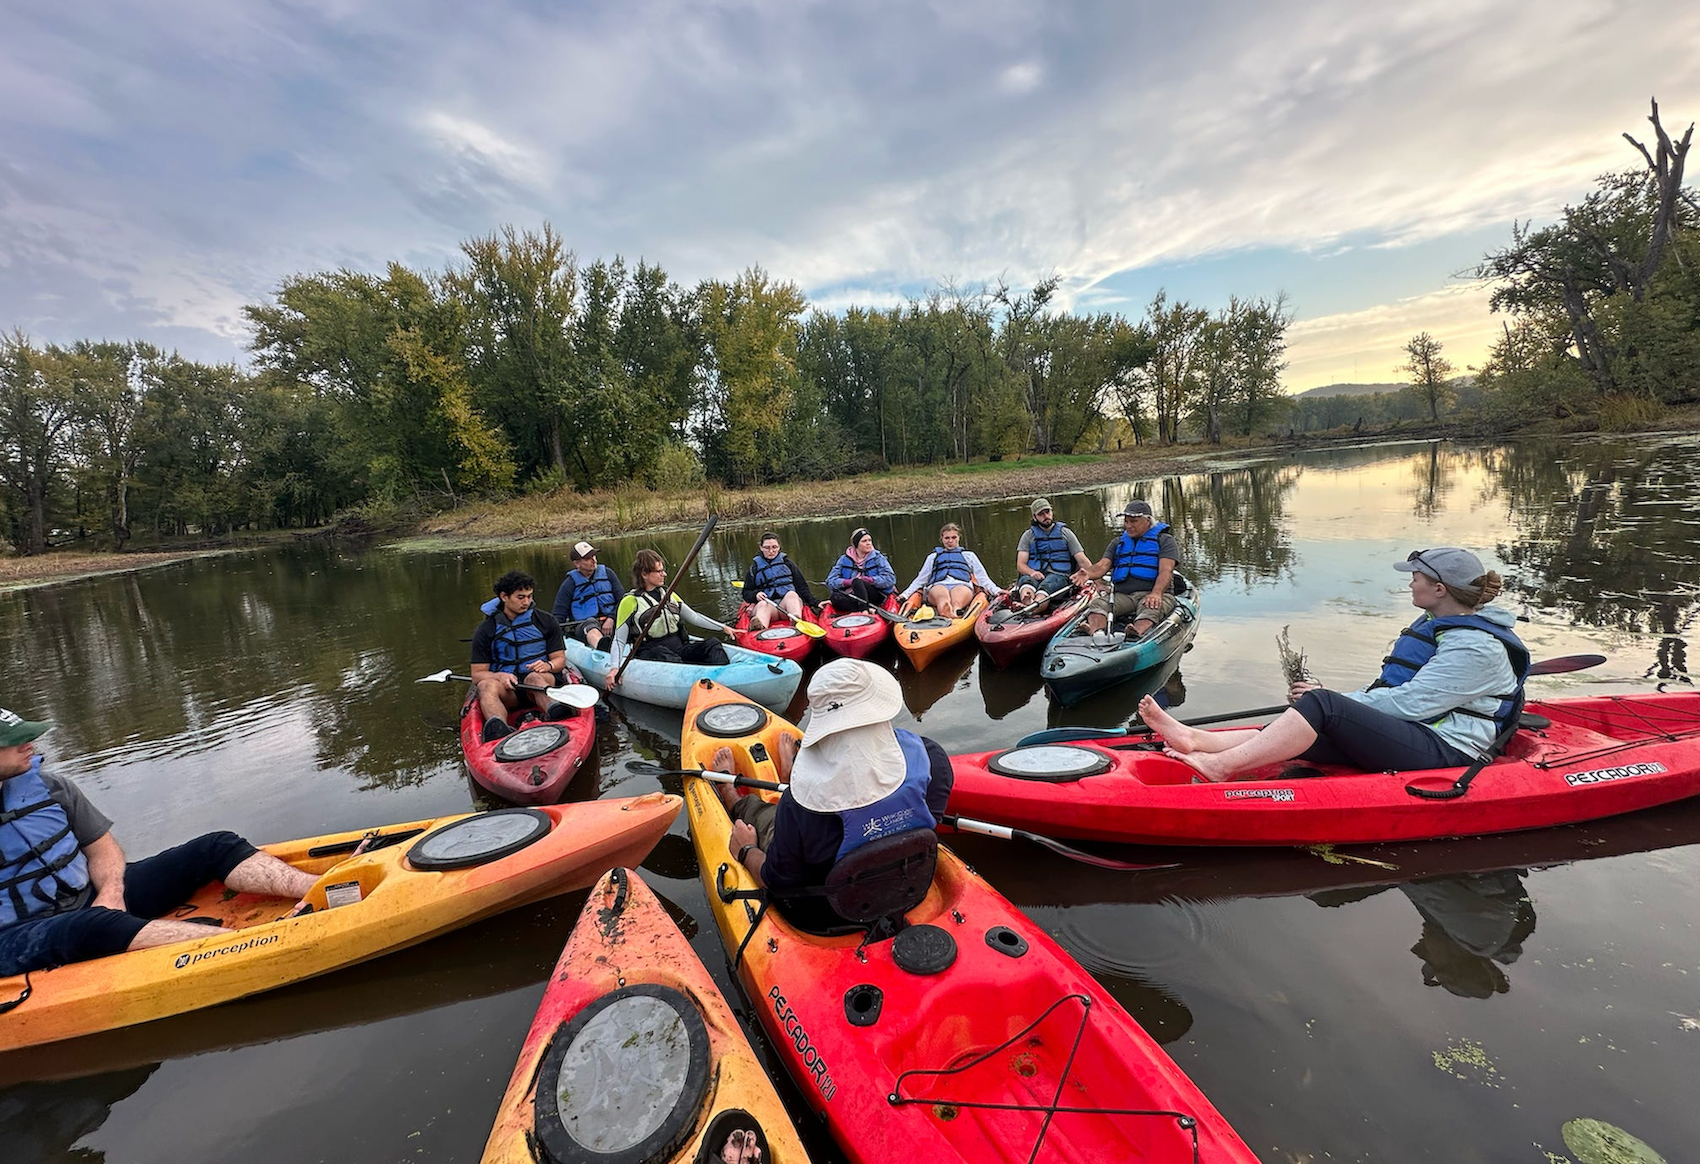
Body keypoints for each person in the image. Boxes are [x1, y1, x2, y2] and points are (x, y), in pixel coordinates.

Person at [1139, 547, 1530, 782]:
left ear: (1439, 589)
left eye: (1417, 578)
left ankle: (1221, 766)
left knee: (1323, 706)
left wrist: (1334, 699)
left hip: (1448, 749)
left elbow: (1411, 704)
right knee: (1313, 721)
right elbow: (1399, 698)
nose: (1411, 583)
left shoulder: (1477, 648)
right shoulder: (1444, 625)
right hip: (1421, 732)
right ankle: (1200, 741)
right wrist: (1338, 702)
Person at [0, 709, 319, 977]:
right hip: (16, 935)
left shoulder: (52, 788)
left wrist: (111, 893)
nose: (29, 744)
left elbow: (103, 848)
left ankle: (321, 889)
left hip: (90, 900)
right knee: (95, 927)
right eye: (14, 741)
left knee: (215, 846)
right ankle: (258, 945)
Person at [712, 659, 953, 926]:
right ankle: (789, 774)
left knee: (765, 814)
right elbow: (930, 820)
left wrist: (746, 849)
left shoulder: (799, 808)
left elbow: (777, 881)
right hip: (905, 886)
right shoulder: (931, 757)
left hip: (831, 909)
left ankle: (732, 796)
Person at [470, 569, 570, 743]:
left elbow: (560, 660)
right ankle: (498, 728)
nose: (526, 602)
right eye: (520, 597)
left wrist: (549, 665)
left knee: (533, 678)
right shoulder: (486, 630)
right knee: (485, 685)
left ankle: (557, 712)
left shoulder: (545, 621)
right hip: (508, 691)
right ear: (504, 597)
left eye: (529, 596)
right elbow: (477, 674)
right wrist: (499, 676)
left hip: (541, 682)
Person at [607, 549, 731, 679]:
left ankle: (724, 678)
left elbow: (694, 617)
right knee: (663, 654)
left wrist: (723, 628)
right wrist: (614, 668)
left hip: (679, 648)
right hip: (652, 653)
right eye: (659, 571)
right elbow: (619, 640)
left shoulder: (669, 595)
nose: (664, 574)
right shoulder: (629, 601)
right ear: (644, 574)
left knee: (712, 644)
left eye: (663, 570)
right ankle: (690, 680)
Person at [1071, 499, 1181, 647]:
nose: (1128, 526)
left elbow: (1166, 570)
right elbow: (1103, 565)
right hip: (1124, 596)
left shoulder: (1165, 540)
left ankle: (1136, 632)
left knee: (1151, 607)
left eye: (1133, 521)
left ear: (1147, 521)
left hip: (1154, 593)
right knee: (1098, 604)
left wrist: (1156, 593)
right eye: (1126, 521)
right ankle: (1096, 633)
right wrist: (1088, 574)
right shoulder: (1118, 543)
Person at [898, 523, 1004, 618]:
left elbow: (982, 578)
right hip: (938, 585)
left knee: (957, 601)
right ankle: (946, 610)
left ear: (959, 538)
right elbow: (920, 580)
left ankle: (953, 611)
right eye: (947, 538)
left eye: (953, 537)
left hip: (961, 584)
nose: (950, 541)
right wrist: (905, 595)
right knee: (942, 598)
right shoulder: (933, 557)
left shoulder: (969, 556)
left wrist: (996, 590)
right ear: (942, 539)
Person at [1011, 498, 1092, 613]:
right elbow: (1020, 565)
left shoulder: (1065, 533)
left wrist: (1096, 579)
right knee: (1026, 581)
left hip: (1059, 575)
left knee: (1048, 585)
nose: (1045, 516)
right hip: (1035, 575)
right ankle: (1027, 599)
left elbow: (1082, 560)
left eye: (1047, 512)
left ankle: (1034, 606)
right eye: (1041, 514)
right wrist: (1032, 572)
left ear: (1052, 512)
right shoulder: (1028, 536)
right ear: (1034, 517)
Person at [551, 541, 625, 650]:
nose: (593, 560)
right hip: (585, 625)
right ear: (577, 563)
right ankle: (602, 647)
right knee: (590, 625)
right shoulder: (569, 584)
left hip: (613, 620)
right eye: (587, 558)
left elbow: (623, 601)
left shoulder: (608, 574)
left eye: (593, 556)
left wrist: (611, 618)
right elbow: (559, 614)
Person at [740, 532, 816, 631]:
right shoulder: (754, 568)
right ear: (761, 547)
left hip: (787, 607)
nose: (771, 551)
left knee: (792, 594)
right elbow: (746, 593)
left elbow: (802, 587)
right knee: (762, 604)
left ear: (779, 547)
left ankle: (796, 620)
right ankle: (759, 628)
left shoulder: (787, 563)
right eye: (767, 548)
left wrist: (815, 603)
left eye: (774, 547)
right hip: (769, 607)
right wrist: (755, 595)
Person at [825, 527, 896, 613]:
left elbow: (890, 579)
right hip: (852, 595)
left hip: (874, 595)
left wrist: (870, 580)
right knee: (835, 597)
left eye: (869, 540)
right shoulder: (843, 560)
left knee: (858, 582)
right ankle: (866, 609)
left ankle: (864, 610)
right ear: (856, 544)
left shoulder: (878, 558)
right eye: (864, 541)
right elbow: (830, 581)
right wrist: (847, 582)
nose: (868, 543)